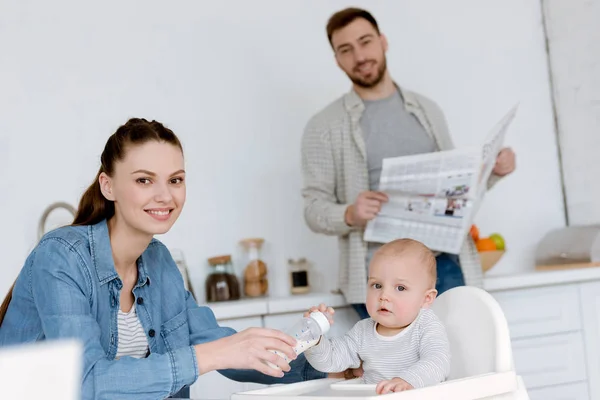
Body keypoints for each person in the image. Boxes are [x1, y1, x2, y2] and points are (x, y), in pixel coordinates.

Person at [0, 118, 326, 400]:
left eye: (175, 180)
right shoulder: (61, 256)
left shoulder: (158, 261)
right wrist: (211, 355)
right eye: (144, 180)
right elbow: (86, 382)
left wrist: (330, 367)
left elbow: (218, 344)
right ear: (108, 186)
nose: (165, 196)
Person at [301, 7, 516, 319]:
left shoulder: (427, 110)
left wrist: (492, 172)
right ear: (337, 59)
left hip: (442, 264)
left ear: (383, 41)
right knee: (398, 367)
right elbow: (313, 210)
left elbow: (457, 186)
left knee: (465, 363)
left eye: (365, 42)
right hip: (378, 278)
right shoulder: (323, 126)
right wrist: (349, 213)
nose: (360, 56)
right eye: (346, 50)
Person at [304, 239, 450, 395]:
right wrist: (315, 339)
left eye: (400, 288)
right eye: (377, 285)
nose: (384, 295)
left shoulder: (426, 325)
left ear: (426, 299)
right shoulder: (362, 331)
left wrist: (407, 381)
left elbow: (438, 362)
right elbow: (330, 361)